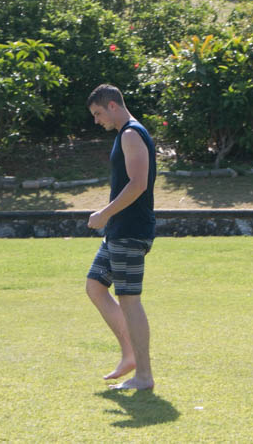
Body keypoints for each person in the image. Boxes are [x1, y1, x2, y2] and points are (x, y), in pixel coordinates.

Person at [85, 84, 157, 391]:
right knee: (95, 286)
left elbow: (138, 184)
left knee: (130, 300)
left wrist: (104, 213)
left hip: (129, 231)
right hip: (119, 230)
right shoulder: (125, 134)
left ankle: (143, 376)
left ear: (113, 105)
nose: (97, 121)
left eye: (98, 113)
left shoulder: (130, 134)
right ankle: (129, 355)